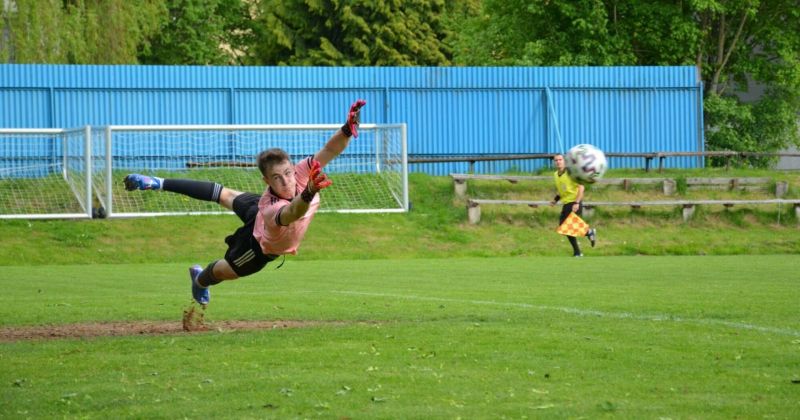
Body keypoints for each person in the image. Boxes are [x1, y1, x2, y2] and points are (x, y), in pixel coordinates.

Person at [123, 99, 367, 306]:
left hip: (258, 211)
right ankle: (199, 280)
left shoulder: (302, 173)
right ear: (266, 180)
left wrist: (347, 129)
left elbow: (329, 150)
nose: (286, 181)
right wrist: (308, 193)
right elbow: (292, 212)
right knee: (226, 271)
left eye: (288, 173)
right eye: (276, 178)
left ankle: (158, 182)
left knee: (224, 194)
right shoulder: (271, 207)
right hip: (259, 245)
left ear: (294, 168)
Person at [550, 153, 596, 257]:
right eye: (556, 160)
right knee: (565, 228)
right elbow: (561, 190)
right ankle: (579, 248)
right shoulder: (555, 175)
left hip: (574, 202)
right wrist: (555, 200)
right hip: (566, 203)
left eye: (560, 159)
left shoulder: (571, 173)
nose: (558, 162)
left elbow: (581, 187)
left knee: (564, 226)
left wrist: (577, 202)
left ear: (564, 161)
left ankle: (587, 235)